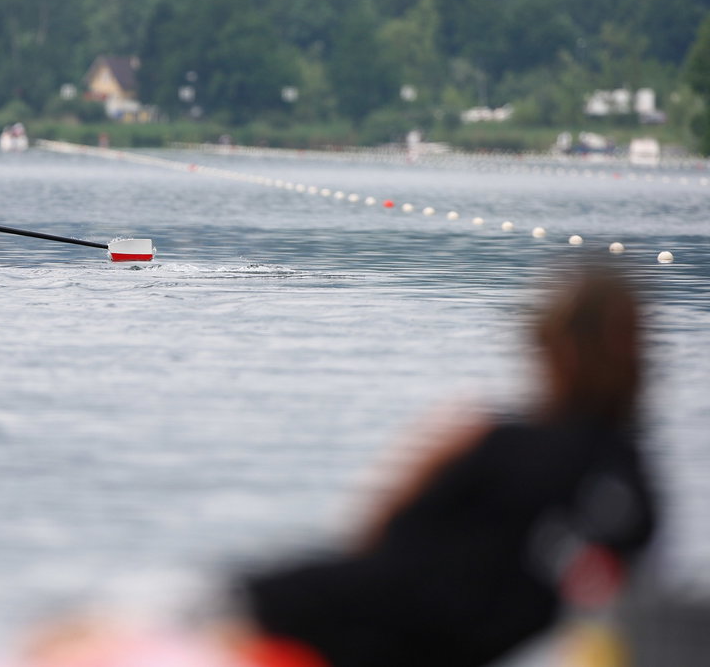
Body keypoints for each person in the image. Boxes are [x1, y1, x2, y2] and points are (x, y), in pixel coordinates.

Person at [0, 261, 657, 667]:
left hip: (344, 615)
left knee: (70, 634)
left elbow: (379, 528)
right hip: (431, 642)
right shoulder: (632, 487)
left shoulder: (488, 438)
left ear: (550, 354)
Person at [234, 260, 657, 667]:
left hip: (348, 628)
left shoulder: (494, 444)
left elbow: (376, 536)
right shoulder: (630, 483)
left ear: (550, 348)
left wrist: (435, 458)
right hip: (452, 638)